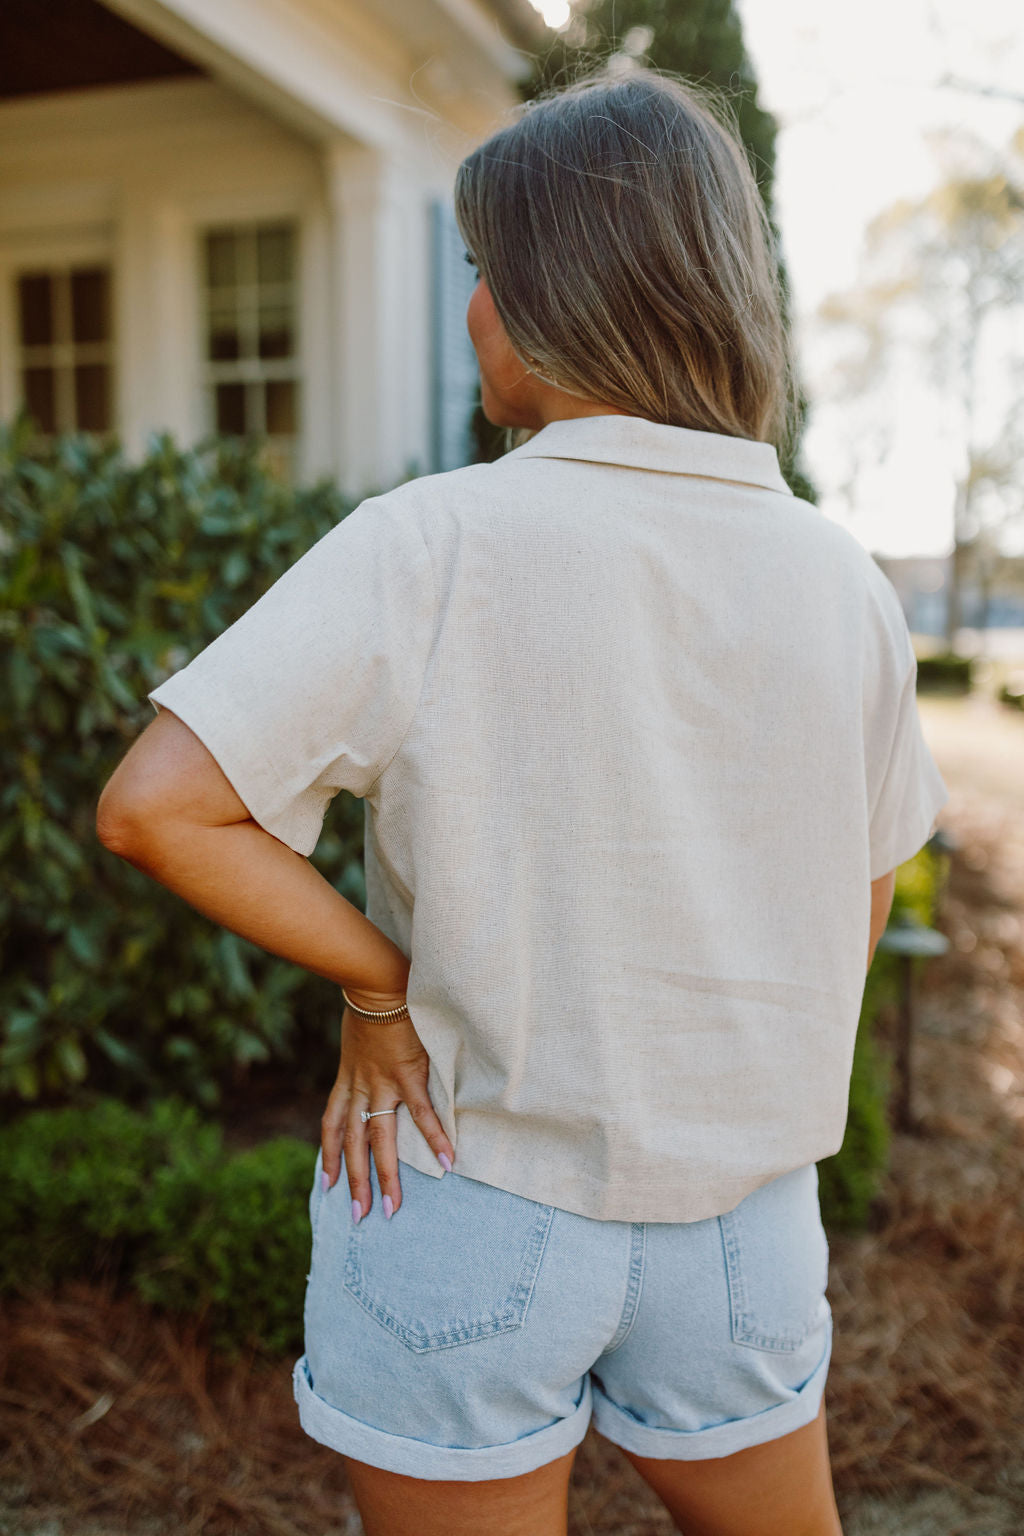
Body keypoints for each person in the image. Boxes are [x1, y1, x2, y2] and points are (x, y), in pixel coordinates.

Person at [96, 66, 949, 1536]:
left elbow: (155, 807)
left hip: (466, 1191)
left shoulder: (431, 543)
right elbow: (856, 902)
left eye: (486, 271)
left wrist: (381, 991)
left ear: (565, 297)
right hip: (744, 1235)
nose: (472, 309)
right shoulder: (842, 580)